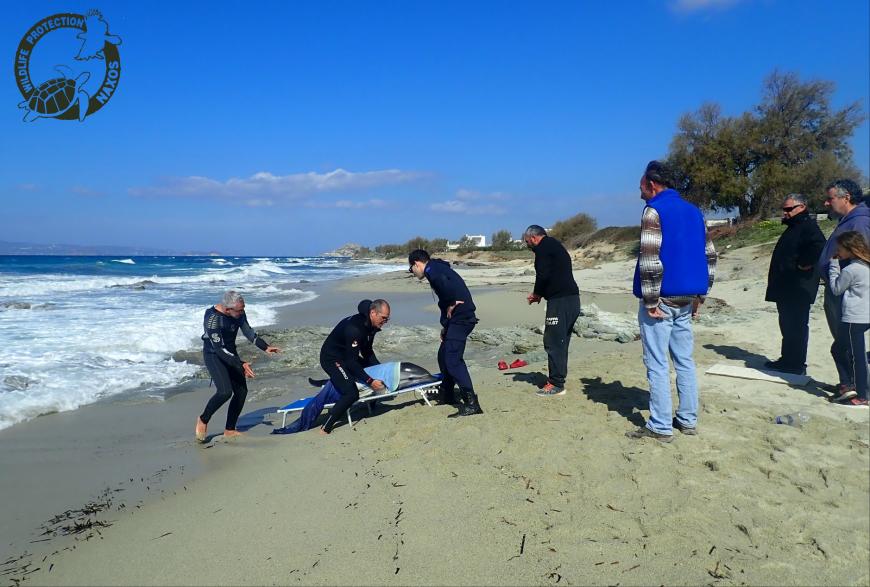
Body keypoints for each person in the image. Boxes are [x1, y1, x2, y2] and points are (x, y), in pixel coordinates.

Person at [627, 161, 717, 443]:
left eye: (641, 185)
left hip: (663, 297)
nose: (639, 190)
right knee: (684, 360)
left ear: (652, 185)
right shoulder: (694, 211)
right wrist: (702, 293)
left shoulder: (654, 210)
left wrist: (651, 300)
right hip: (687, 295)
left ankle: (661, 425)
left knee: (656, 362)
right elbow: (710, 254)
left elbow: (650, 258)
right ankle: (688, 420)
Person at [196, 290, 281, 442]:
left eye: (243, 308)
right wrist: (240, 364)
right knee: (225, 392)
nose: (243, 312)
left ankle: (230, 429)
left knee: (241, 391)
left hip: (231, 353)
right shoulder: (212, 319)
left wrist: (265, 347)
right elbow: (219, 349)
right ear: (228, 309)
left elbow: (248, 331)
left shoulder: (239, 313)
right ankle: (203, 419)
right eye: (240, 310)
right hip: (214, 355)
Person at [409, 249, 483, 417]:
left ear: (416, 264)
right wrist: (446, 326)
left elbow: (447, 288)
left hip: (462, 318)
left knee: (453, 360)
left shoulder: (433, 271)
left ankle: (472, 404)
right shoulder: (436, 268)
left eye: (411, 269)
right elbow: (446, 293)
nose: (412, 273)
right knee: (443, 355)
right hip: (457, 320)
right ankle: (447, 394)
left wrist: (452, 303)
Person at [817, 179, 870, 397]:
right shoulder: (848, 221)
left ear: (845, 197)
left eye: (830, 198)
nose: (826, 203)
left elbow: (862, 259)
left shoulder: (859, 223)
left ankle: (854, 387)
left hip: (847, 294)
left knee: (845, 344)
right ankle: (849, 383)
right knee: (843, 343)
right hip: (840, 290)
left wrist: (839, 274)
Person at [763, 193, 825, 375]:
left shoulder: (808, 225)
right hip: (787, 286)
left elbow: (819, 246)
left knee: (796, 326)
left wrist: (804, 264)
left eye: (789, 209)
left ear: (802, 207)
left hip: (798, 287)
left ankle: (796, 363)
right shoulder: (795, 226)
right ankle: (788, 359)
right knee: (787, 325)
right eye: (784, 209)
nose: (786, 213)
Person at [522, 225, 582, 396]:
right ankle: (558, 379)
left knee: (553, 342)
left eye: (527, 242)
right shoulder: (554, 245)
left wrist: (537, 293)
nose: (528, 245)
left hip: (560, 302)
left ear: (533, 238)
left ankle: (556, 384)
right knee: (561, 342)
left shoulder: (543, 249)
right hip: (571, 300)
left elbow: (543, 275)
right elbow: (551, 273)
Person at [319, 299, 390, 434]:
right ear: (373, 313)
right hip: (332, 358)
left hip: (347, 355)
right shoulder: (355, 329)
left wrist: (379, 371)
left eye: (387, 319)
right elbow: (351, 363)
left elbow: (367, 352)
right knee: (351, 393)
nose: (385, 322)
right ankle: (325, 427)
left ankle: (371, 406)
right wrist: (370, 381)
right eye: (383, 318)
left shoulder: (372, 326)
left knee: (377, 373)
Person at [826, 231, 870, 406]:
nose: (838, 250)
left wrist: (834, 265)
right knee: (838, 349)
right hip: (863, 316)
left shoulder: (852, 269)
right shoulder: (866, 266)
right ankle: (848, 384)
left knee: (856, 356)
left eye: (840, 248)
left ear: (849, 248)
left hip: (854, 317)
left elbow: (837, 288)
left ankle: (862, 395)